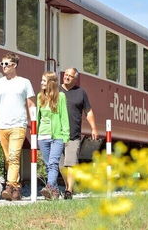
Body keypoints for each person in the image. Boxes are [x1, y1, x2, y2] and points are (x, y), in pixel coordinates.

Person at [0, 52, 35, 201]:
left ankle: (9, 186)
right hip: (2, 126)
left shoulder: (24, 82)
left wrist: (34, 123)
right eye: (2, 64)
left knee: (14, 157)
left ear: (14, 65)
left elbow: (31, 104)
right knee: (9, 159)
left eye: (6, 64)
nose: (3, 67)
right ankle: (17, 189)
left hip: (18, 125)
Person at [59, 68, 98, 200]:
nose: (67, 78)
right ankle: (68, 186)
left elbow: (89, 111)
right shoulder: (56, 90)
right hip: (57, 134)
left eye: (70, 76)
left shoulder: (81, 93)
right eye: (66, 75)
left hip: (73, 134)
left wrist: (93, 128)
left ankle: (69, 190)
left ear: (75, 79)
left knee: (71, 164)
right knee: (60, 166)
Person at [37, 71, 70, 200]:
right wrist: (35, 134)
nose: (41, 83)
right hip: (43, 136)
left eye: (44, 81)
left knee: (53, 163)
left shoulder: (60, 96)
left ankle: (50, 187)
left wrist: (65, 135)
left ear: (51, 83)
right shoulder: (40, 96)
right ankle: (55, 192)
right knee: (48, 164)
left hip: (57, 136)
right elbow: (37, 117)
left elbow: (64, 116)